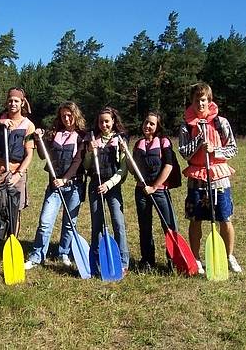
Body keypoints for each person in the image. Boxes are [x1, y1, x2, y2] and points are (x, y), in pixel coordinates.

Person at [178, 82, 242, 274]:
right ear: (192, 102)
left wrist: (216, 149)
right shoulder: (186, 127)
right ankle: (196, 259)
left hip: (219, 176)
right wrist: (198, 140)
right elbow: (184, 153)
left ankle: (228, 256)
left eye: (203, 100)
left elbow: (233, 148)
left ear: (209, 100)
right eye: (197, 100)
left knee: (224, 217)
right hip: (197, 176)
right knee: (195, 217)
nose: (200, 104)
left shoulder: (221, 123)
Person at [25, 102, 87, 270]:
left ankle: (64, 253)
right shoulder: (54, 134)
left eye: (69, 115)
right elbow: (42, 154)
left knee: (69, 224)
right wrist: (38, 139)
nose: (66, 118)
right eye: (63, 116)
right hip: (54, 186)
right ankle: (37, 256)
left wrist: (65, 179)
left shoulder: (82, 135)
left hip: (74, 186)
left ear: (75, 115)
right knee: (45, 222)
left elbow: (78, 161)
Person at [0, 87, 35, 263]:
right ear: (7, 102)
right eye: (10, 100)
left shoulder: (28, 125)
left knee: (14, 213)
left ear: (22, 103)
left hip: (15, 176)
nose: (13, 103)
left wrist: (19, 174)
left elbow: (29, 155)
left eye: (16, 101)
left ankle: (10, 246)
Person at [84, 106, 130, 274]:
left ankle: (123, 262)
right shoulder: (92, 140)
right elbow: (86, 166)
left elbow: (123, 169)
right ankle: (96, 262)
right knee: (97, 226)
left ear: (113, 122)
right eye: (101, 122)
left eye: (107, 121)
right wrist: (90, 152)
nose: (104, 125)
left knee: (118, 224)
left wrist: (109, 184)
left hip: (112, 187)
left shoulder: (120, 141)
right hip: (95, 186)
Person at [132, 111, 178, 272]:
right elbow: (134, 168)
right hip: (142, 191)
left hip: (159, 191)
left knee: (169, 225)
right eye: (146, 122)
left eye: (152, 123)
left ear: (158, 126)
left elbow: (169, 166)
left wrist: (155, 187)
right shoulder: (138, 144)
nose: (148, 126)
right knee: (145, 227)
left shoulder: (164, 142)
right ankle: (147, 261)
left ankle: (173, 260)